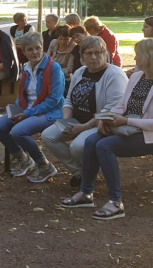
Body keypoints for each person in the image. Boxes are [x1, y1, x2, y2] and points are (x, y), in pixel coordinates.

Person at [61, 38, 153, 220]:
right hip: (128, 127)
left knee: (105, 146)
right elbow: (121, 105)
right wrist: (105, 119)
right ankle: (86, 193)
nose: (135, 59)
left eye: (138, 55)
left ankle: (116, 202)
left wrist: (125, 121)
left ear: (149, 57)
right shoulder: (137, 77)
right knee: (91, 141)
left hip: (147, 134)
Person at [41, 36, 127, 187]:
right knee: (48, 136)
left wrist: (84, 127)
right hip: (77, 120)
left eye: (98, 52)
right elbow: (69, 100)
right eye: (89, 53)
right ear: (82, 56)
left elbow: (110, 110)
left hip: (101, 123)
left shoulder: (114, 75)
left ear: (105, 54)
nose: (94, 57)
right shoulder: (80, 72)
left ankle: (89, 173)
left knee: (78, 146)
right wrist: (66, 121)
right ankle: (81, 172)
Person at [0, 32, 65, 182]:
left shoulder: (54, 68)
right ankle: (23, 158)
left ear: (43, 48)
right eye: (30, 49)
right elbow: (22, 94)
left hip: (50, 112)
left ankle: (44, 165)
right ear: (23, 52)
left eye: (38, 48)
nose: (34, 52)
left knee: (18, 131)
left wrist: (27, 113)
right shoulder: (26, 68)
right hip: (28, 110)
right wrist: (16, 109)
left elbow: (54, 100)